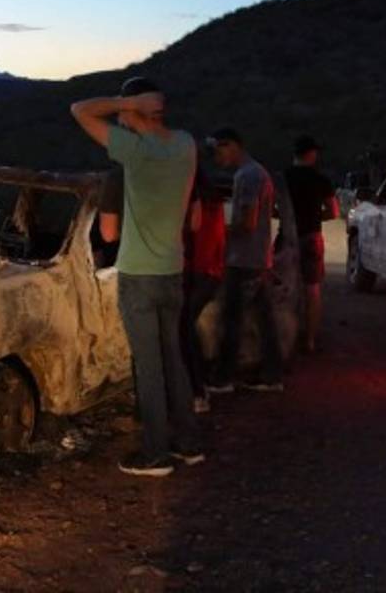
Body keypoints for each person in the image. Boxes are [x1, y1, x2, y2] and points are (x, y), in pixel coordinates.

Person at [70, 77, 201, 477]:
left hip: (139, 272)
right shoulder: (185, 144)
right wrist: (139, 107)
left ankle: (156, 453)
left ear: (132, 112)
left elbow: (79, 109)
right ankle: (188, 444)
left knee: (147, 364)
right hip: (172, 269)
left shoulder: (134, 152)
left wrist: (123, 102)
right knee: (172, 357)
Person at [205, 127, 284, 394]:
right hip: (259, 258)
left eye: (218, 150)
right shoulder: (258, 173)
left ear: (232, 145)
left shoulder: (248, 176)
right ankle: (272, 376)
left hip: (245, 260)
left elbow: (247, 223)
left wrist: (217, 231)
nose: (217, 157)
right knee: (265, 321)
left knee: (232, 320)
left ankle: (224, 378)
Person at [283, 135, 339, 353]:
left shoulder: (284, 178)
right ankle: (310, 340)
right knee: (312, 289)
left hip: (288, 236)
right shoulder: (321, 180)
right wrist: (316, 216)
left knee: (285, 287)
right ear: (311, 154)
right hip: (312, 236)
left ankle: (287, 335)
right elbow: (333, 212)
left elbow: (273, 208)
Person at [181, 162, 225, 412]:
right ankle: (200, 384)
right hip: (210, 272)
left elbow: (195, 236)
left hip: (201, 272)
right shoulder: (212, 200)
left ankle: (198, 390)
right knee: (186, 329)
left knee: (184, 330)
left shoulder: (197, 202)